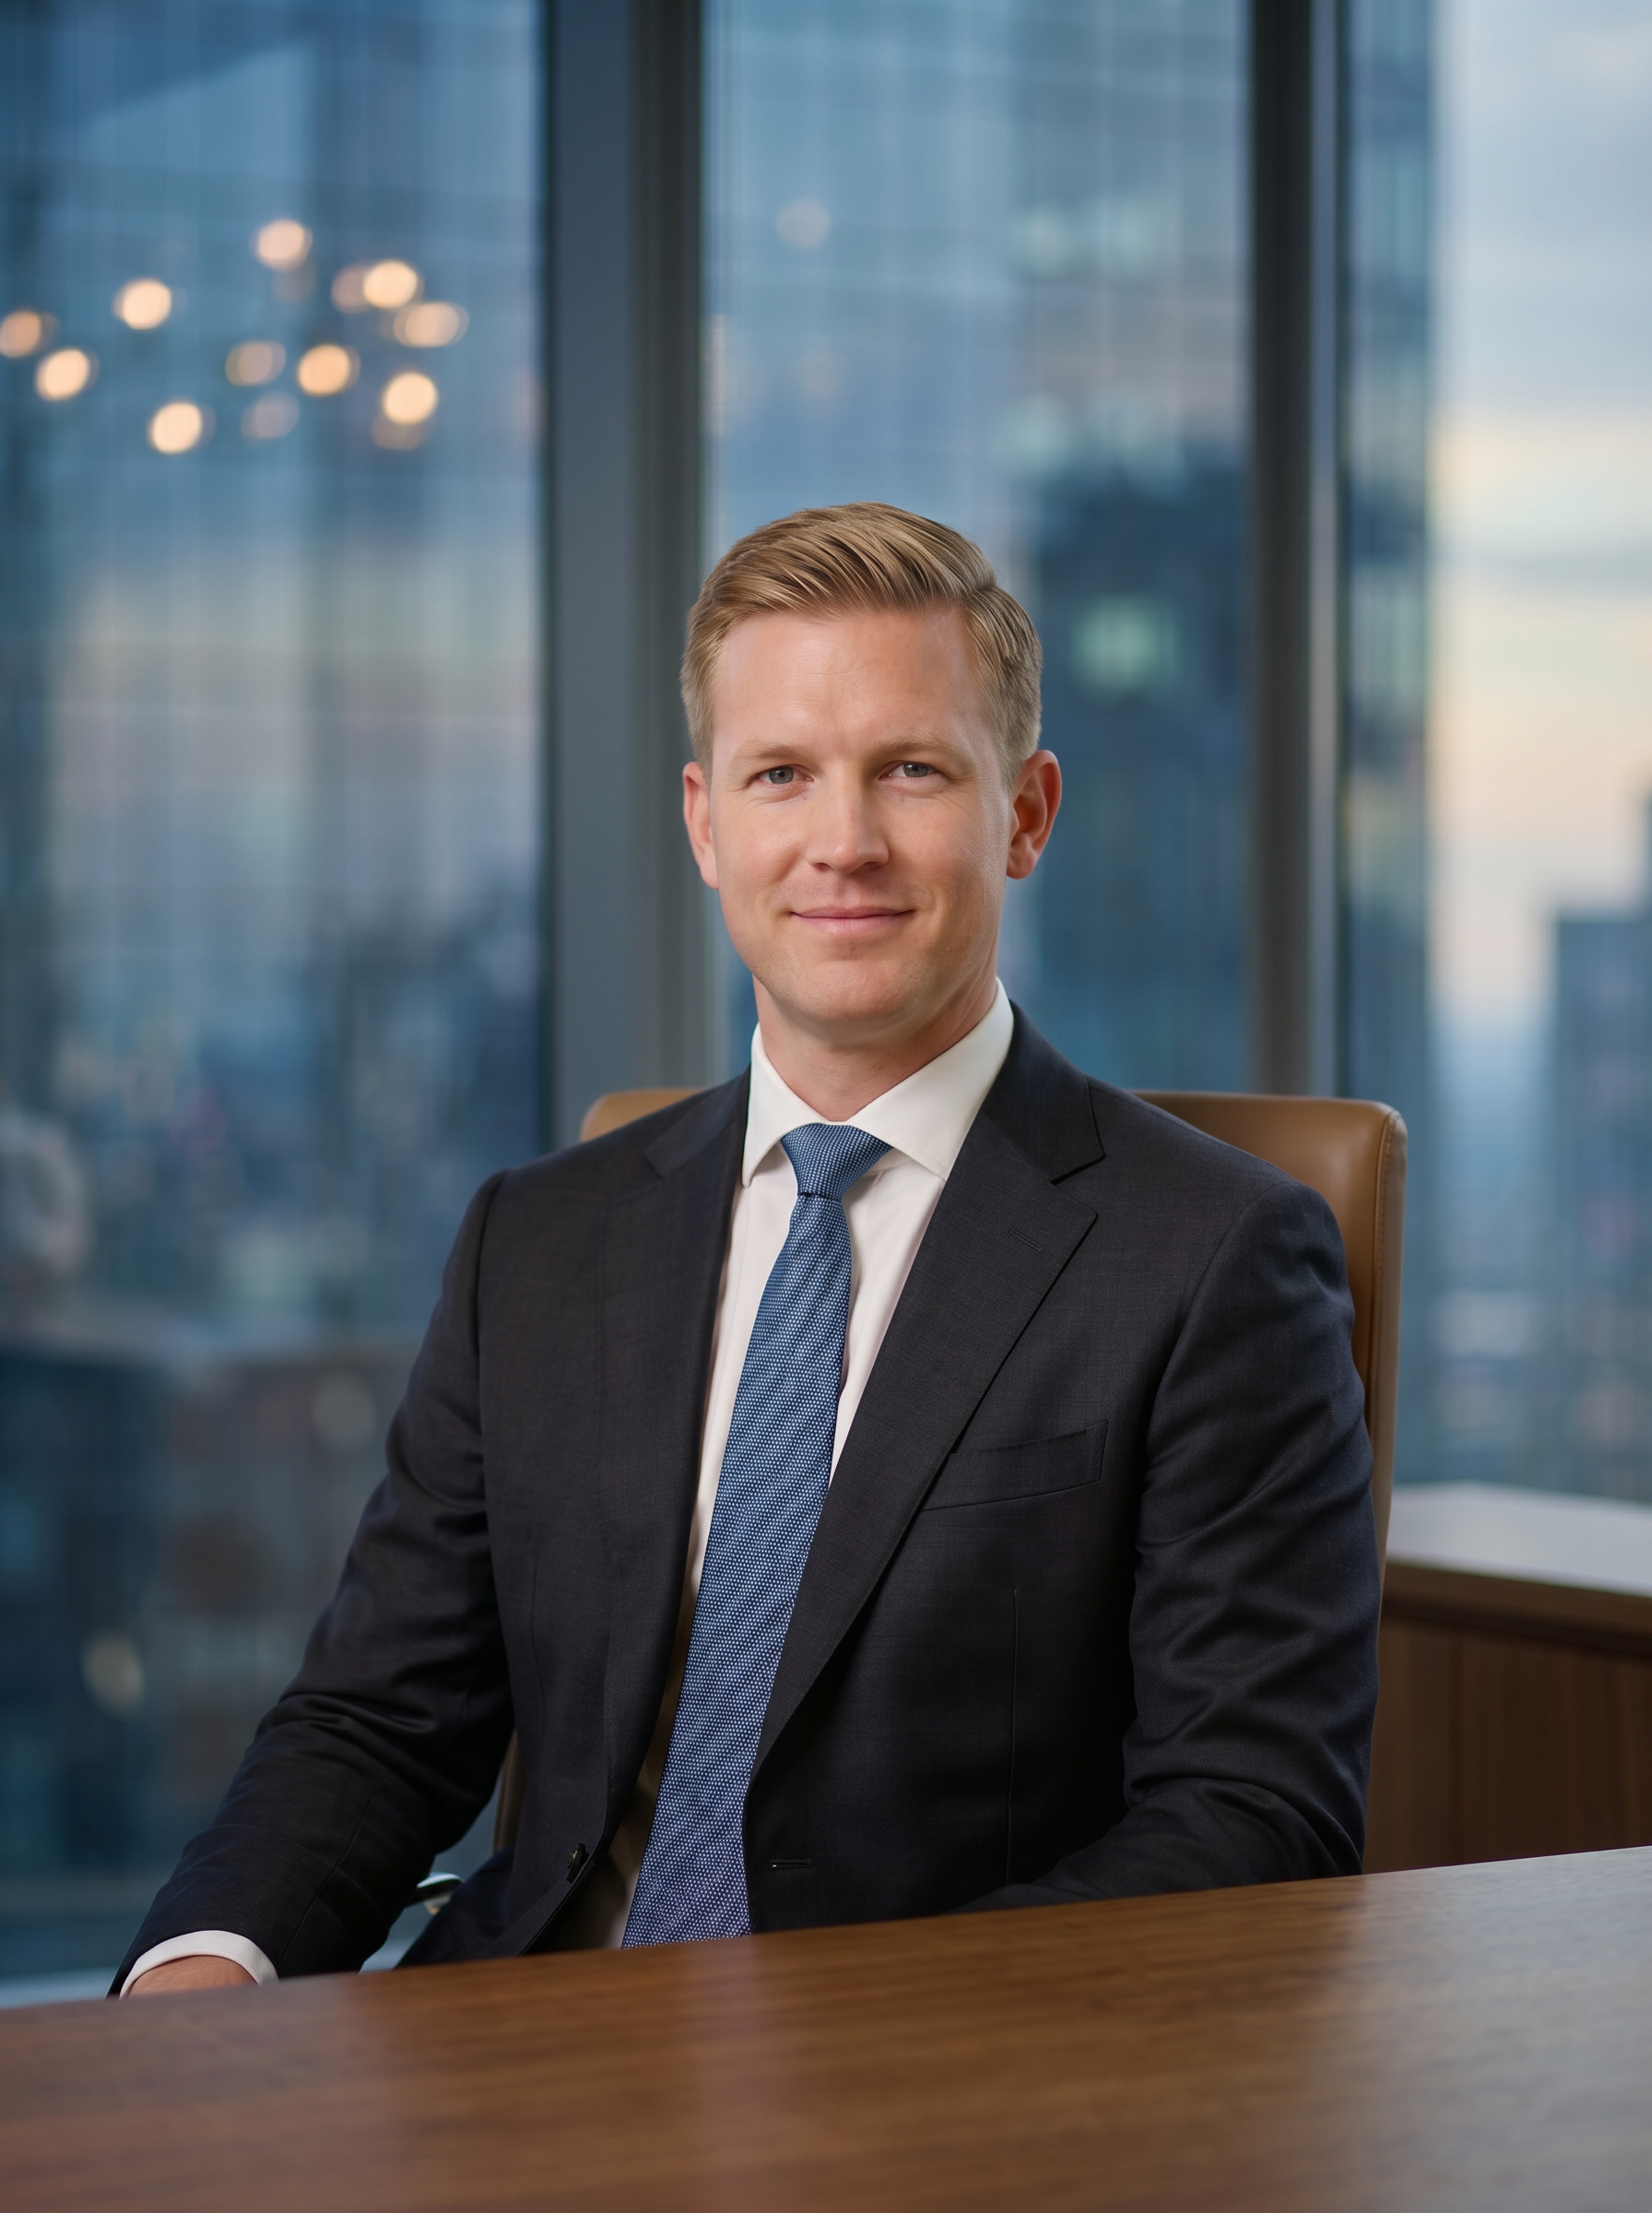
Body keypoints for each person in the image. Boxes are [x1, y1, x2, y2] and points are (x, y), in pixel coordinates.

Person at [119, 502, 1379, 1994]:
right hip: (512, 2056)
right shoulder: (539, 1241)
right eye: (782, 776)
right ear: (709, 823)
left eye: (911, 771)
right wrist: (201, 1971)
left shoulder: (1213, 1258)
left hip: (926, 2087)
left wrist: (804, 2061)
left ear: (1026, 813)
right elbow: (378, 1719)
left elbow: (1252, 1820)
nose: (842, 844)